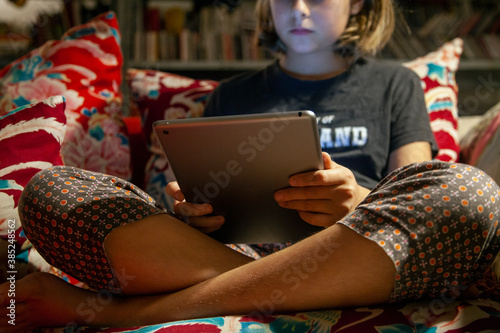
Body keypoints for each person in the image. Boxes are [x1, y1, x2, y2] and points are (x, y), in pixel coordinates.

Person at [1, 0, 499, 331]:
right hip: (239, 248)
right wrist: (187, 211)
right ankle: (271, 285)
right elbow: (193, 202)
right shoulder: (231, 94)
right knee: (49, 190)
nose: (299, 10)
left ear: (359, 6)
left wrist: (359, 201)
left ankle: (117, 316)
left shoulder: (396, 84)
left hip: (365, 244)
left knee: (466, 192)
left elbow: (415, 183)